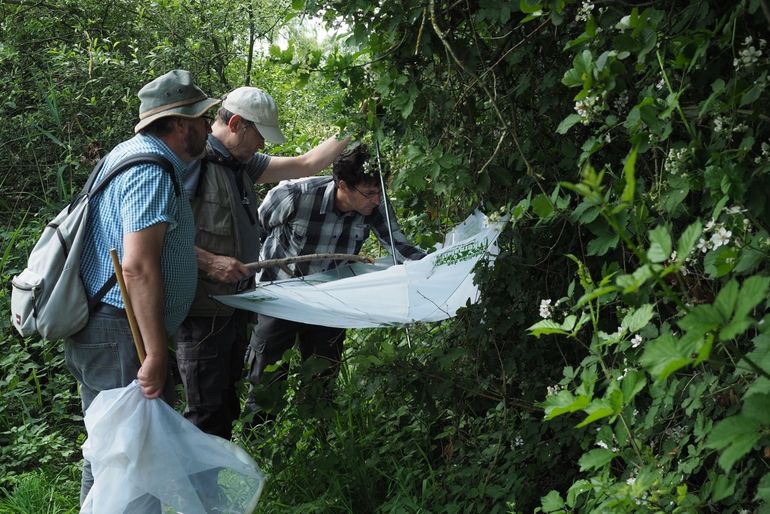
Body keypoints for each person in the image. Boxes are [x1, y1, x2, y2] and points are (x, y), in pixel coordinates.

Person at [64, 69, 219, 506]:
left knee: (111, 448)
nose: (209, 128)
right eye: (204, 120)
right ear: (180, 123)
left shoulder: (128, 156)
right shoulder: (150, 169)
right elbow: (137, 267)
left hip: (105, 329)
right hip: (119, 331)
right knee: (137, 459)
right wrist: (153, 355)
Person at [175, 86, 351, 440]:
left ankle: (221, 484)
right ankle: (198, 491)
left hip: (233, 308)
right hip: (200, 309)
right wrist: (209, 263)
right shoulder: (192, 161)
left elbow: (307, 164)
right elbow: (161, 233)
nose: (262, 146)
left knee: (225, 402)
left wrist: (354, 122)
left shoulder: (241, 163)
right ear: (237, 123)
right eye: (259, 136)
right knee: (205, 409)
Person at [244, 142, 426, 422]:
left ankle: (317, 439)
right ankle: (256, 441)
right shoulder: (296, 195)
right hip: (279, 294)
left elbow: (400, 246)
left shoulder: (375, 205)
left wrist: (431, 266)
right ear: (342, 184)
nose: (376, 199)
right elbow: (253, 230)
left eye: (380, 191)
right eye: (368, 193)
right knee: (266, 376)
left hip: (330, 299)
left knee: (322, 376)